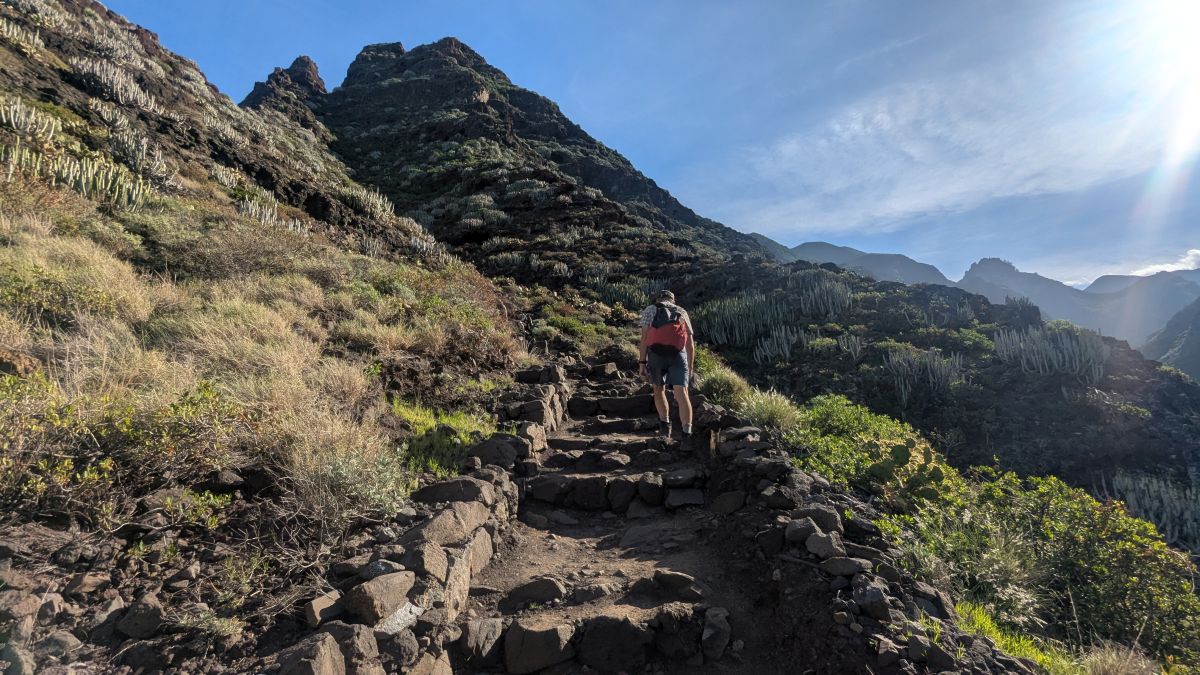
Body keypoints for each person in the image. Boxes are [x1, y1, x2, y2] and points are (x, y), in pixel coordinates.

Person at [638, 290, 696, 445]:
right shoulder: (681, 311)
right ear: (673, 299)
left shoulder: (650, 309)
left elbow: (644, 338)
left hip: (656, 355)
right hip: (678, 355)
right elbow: (690, 343)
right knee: (682, 393)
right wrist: (690, 368)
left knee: (658, 388)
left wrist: (642, 363)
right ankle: (687, 434)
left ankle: (665, 427)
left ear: (658, 298)